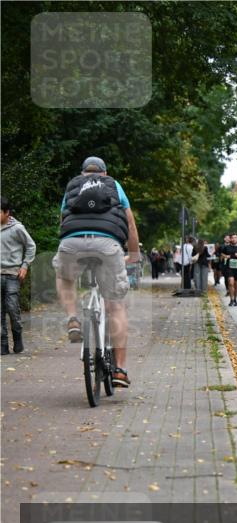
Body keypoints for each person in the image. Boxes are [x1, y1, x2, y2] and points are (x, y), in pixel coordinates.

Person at [53, 156, 140, 388]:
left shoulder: (73, 185)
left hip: (72, 243)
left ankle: (72, 319)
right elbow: (130, 223)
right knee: (116, 305)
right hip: (107, 244)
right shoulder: (114, 185)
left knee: (64, 277)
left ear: (83, 173)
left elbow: (64, 220)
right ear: (105, 172)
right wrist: (134, 255)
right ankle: (120, 370)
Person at [1, 197, 37, 355]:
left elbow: (31, 246)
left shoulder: (17, 228)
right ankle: (2, 344)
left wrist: (24, 266)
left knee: (12, 308)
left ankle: (17, 337)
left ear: (6, 212)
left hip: (12, 275)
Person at [219, 233, 237, 306]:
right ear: (230, 239)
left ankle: (235, 299)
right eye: (233, 238)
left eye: (235, 237)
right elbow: (222, 254)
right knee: (230, 283)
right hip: (229, 267)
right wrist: (226, 256)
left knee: (236, 285)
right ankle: (231, 299)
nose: (234, 239)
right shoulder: (227, 247)